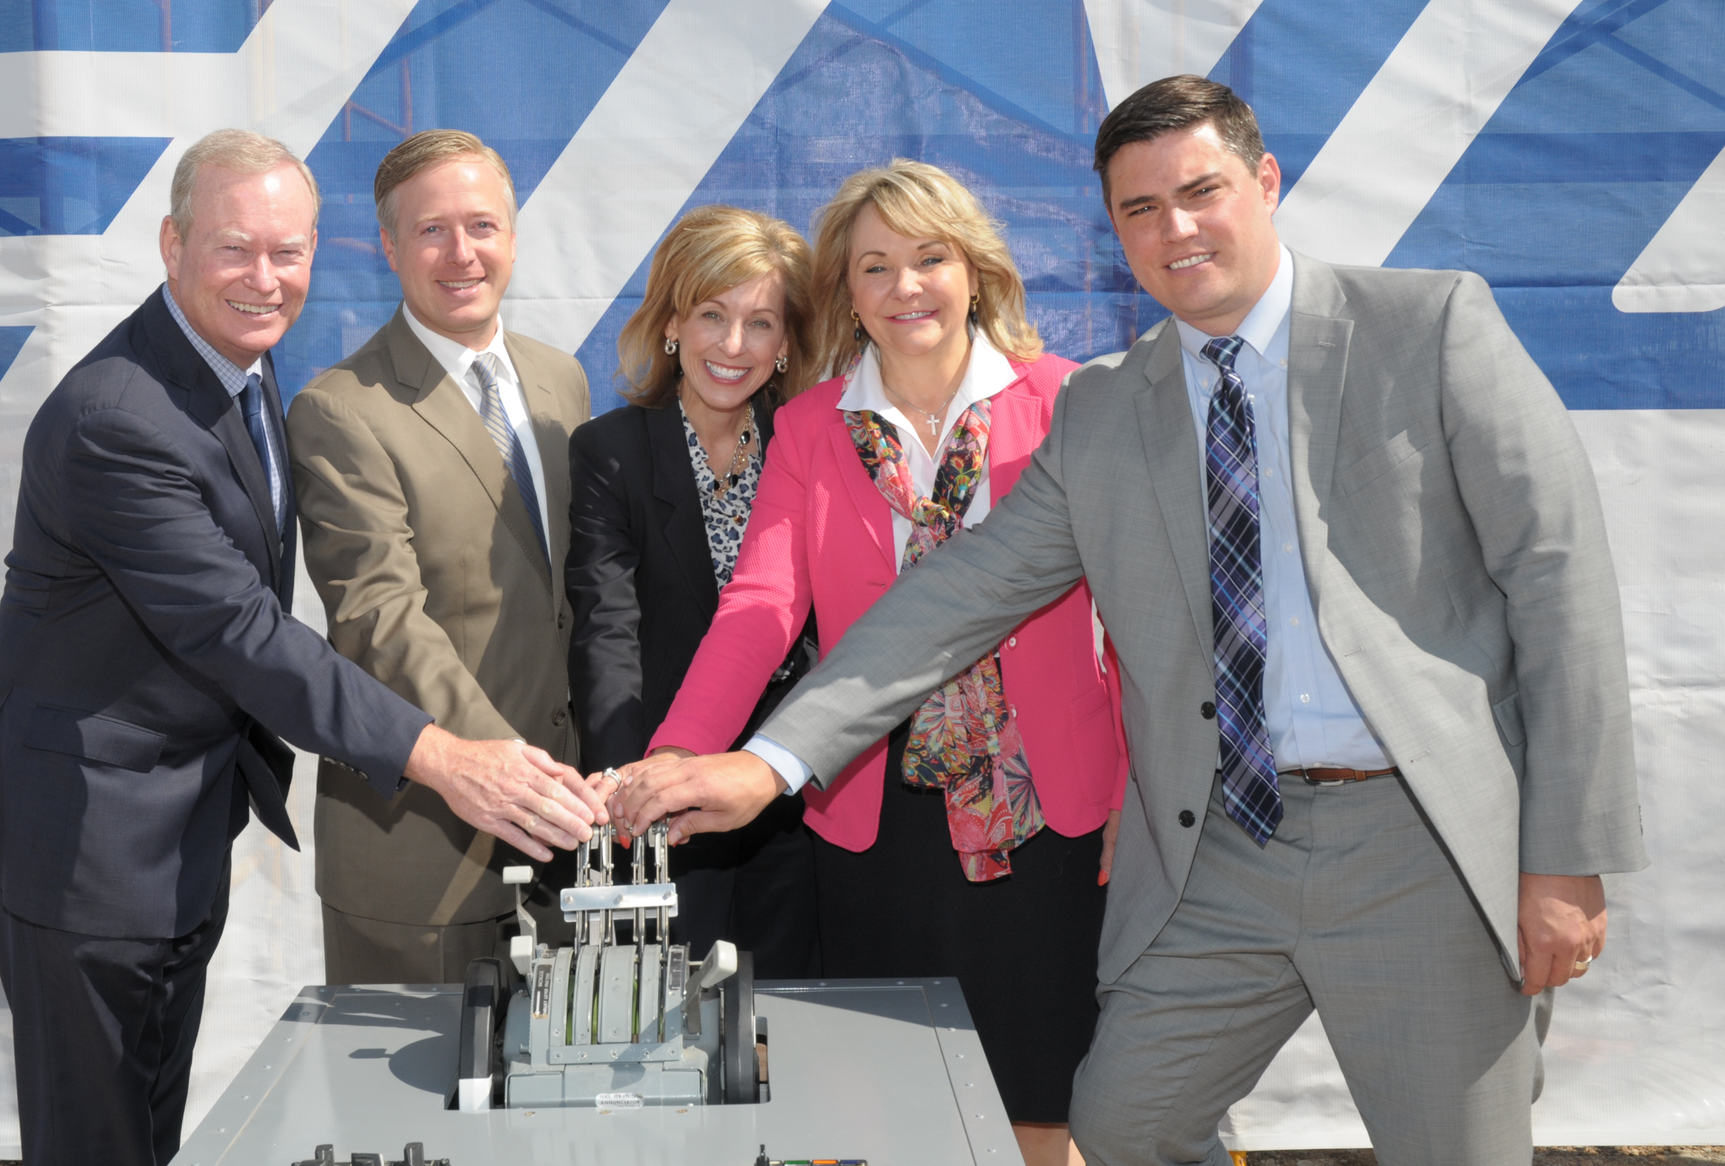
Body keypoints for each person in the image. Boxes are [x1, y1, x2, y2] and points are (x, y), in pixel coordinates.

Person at [613, 76, 1649, 1166]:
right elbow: (957, 596)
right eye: (1140, 211)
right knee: (1122, 1125)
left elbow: (1559, 578)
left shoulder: (1427, 325)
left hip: (1416, 843)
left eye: (1199, 192)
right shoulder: (1107, 405)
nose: (1177, 229)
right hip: (1219, 857)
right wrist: (768, 762)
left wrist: (1566, 854)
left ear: (1265, 181)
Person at [0, 129, 604, 1166]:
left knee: (143, 1126)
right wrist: (446, 756)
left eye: (287, 253)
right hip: (85, 840)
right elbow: (239, 632)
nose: (265, 278)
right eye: (235, 249)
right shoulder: (119, 417)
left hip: (170, 831)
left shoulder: (235, 371)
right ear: (171, 244)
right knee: (94, 1141)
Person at [619, 161, 1127, 1166]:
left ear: (974, 270)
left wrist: (1149, 798)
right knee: (900, 1113)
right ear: (845, 296)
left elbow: (1140, 613)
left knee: (1044, 1105)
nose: (907, 288)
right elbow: (761, 609)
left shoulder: (1070, 402)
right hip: (875, 820)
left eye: (930, 258)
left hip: (1053, 815)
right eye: (876, 266)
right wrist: (678, 757)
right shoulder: (810, 430)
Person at [286, 129, 595, 985]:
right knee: (411, 1116)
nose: (462, 253)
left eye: (482, 225)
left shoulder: (560, 379)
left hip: (569, 839)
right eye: (431, 231)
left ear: (514, 233)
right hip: (421, 851)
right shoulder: (340, 410)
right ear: (388, 245)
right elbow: (381, 619)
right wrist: (513, 773)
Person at [566, 205, 823, 977]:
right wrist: (627, 784)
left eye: (762, 322)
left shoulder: (812, 443)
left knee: (799, 1024)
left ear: (786, 345)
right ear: (673, 319)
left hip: (796, 797)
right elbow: (605, 626)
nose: (734, 346)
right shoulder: (611, 451)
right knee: (666, 1022)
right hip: (665, 799)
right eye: (713, 314)